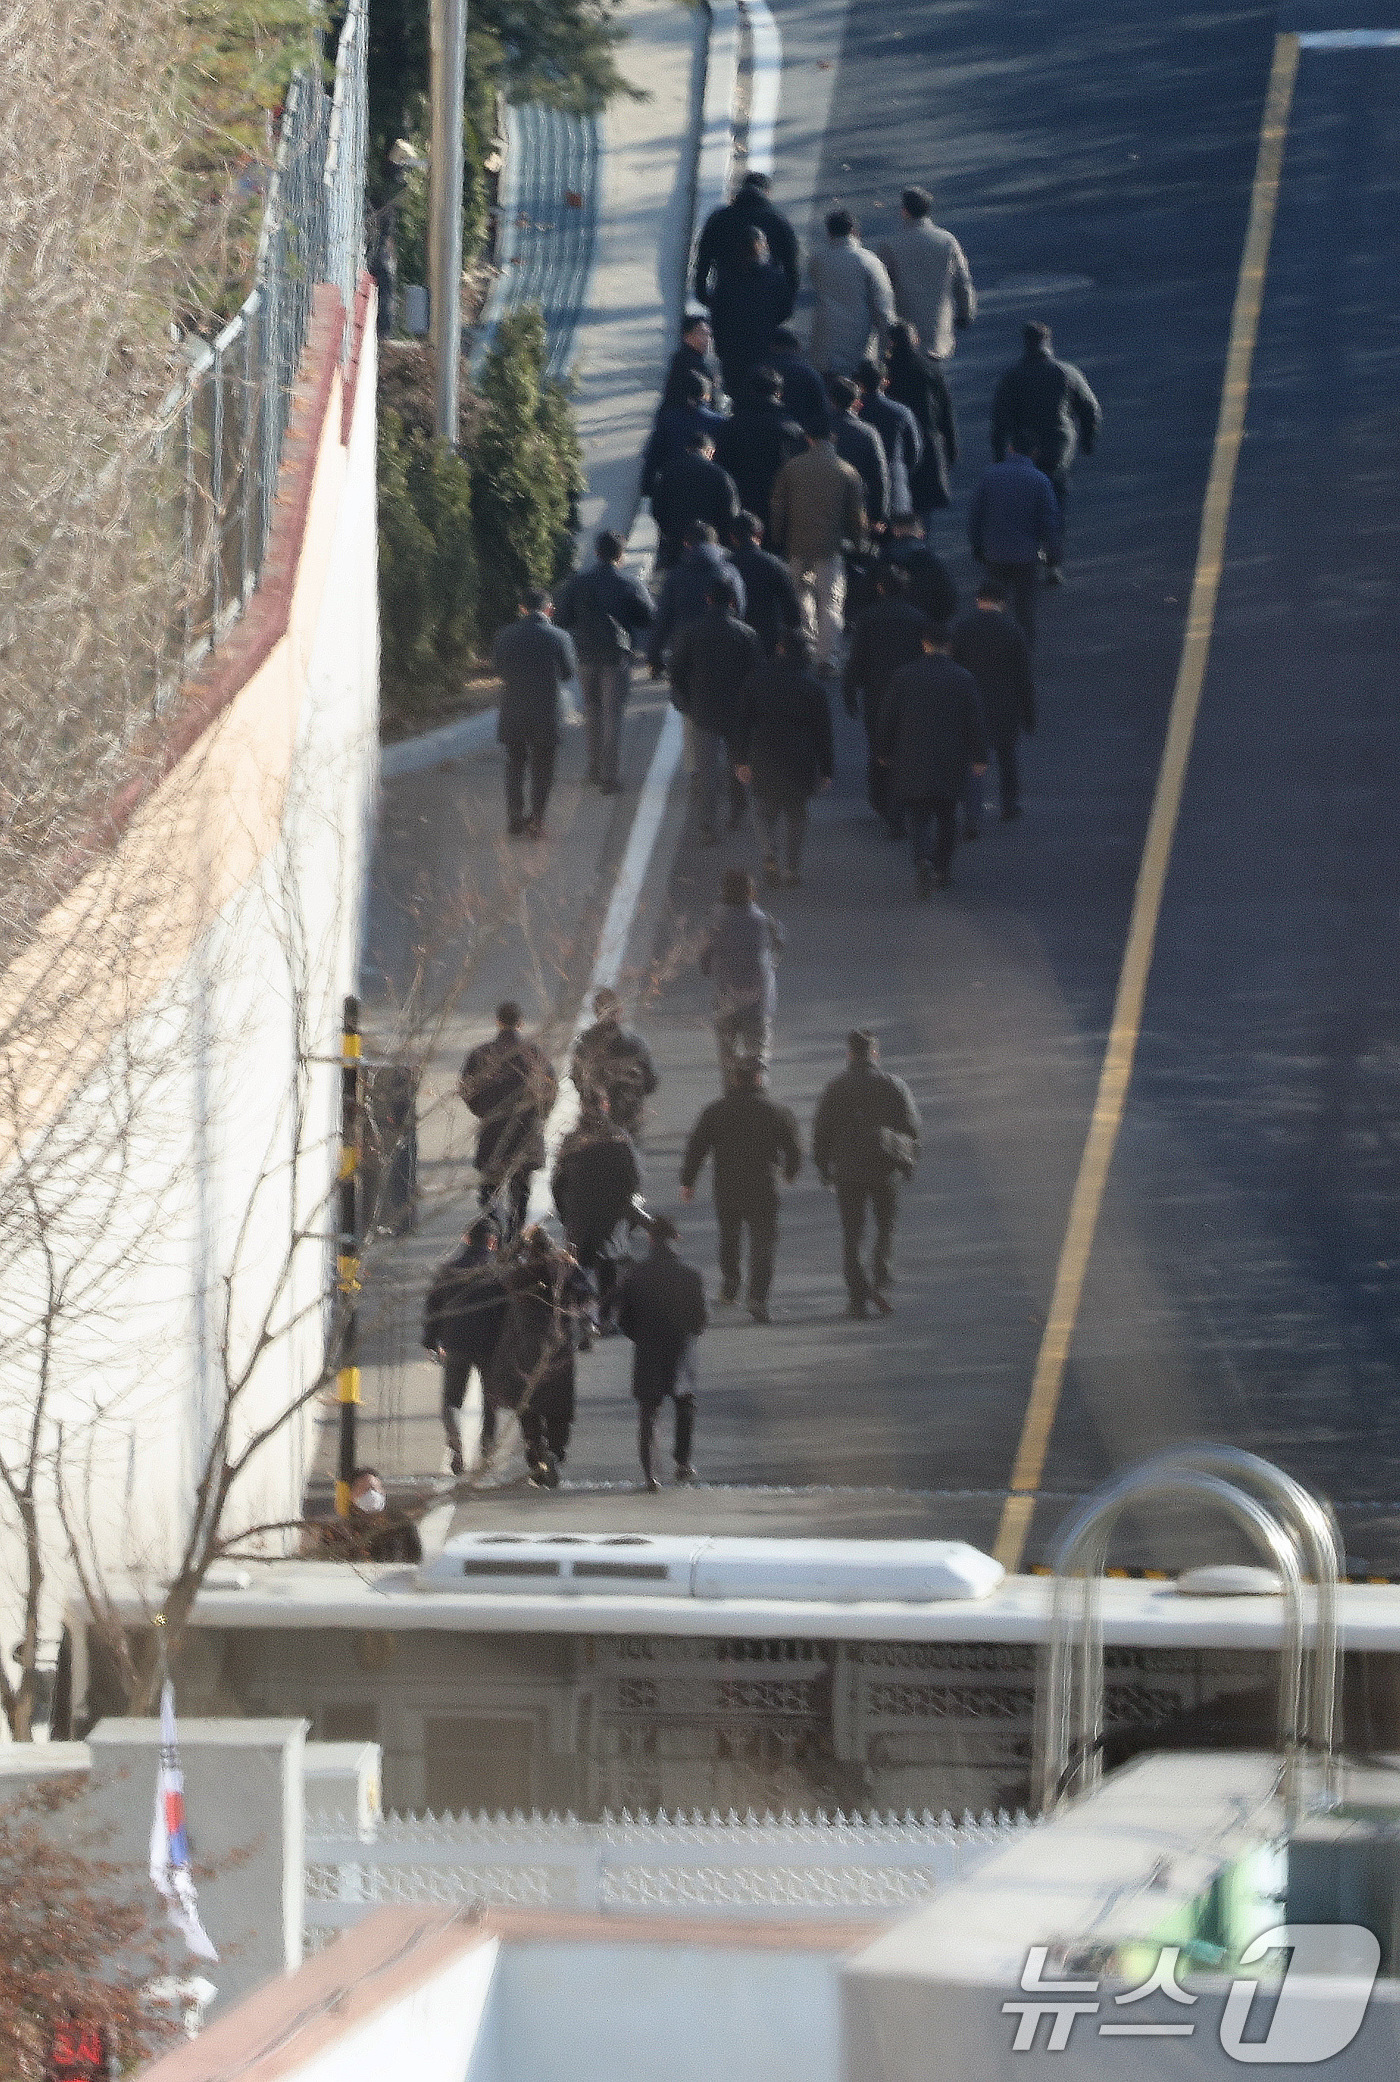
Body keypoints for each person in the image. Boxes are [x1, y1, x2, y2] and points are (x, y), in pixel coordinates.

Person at [680, 1058, 801, 1323]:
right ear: (758, 1079)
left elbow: (696, 1148)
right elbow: (794, 1148)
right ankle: (758, 1296)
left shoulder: (715, 1111)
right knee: (763, 1242)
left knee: (729, 1236)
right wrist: (790, 1172)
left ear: (734, 1079)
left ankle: (731, 1284)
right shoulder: (775, 1111)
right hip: (763, 1187)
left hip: (727, 1186)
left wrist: (688, 1181)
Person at [813, 1030, 922, 1318]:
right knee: (885, 1226)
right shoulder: (894, 1085)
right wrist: (909, 1161)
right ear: (875, 1054)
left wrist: (824, 1168)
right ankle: (881, 1282)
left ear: (850, 1054)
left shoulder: (835, 1088)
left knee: (852, 1234)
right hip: (884, 1168)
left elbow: (821, 1132)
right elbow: (911, 1127)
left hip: (848, 1171)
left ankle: (857, 1298)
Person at [878, 623, 987, 895]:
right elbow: (975, 720)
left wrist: (883, 749)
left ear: (924, 644)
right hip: (951, 756)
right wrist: (979, 755)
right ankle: (942, 867)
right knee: (947, 814)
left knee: (919, 814)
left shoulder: (904, 675)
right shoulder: (963, 677)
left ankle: (922, 857)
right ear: (948, 646)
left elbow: (888, 717)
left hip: (912, 754)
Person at [990, 322, 1101, 572]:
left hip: (1023, 446)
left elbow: (999, 419)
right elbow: (1090, 408)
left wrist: (998, 455)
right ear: (1048, 342)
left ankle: (1026, 550)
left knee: (1023, 497)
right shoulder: (1066, 372)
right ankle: (1054, 561)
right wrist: (1088, 440)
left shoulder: (1012, 376)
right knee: (1054, 498)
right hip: (1058, 445)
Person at [486, 1227, 591, 1488]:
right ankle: (555, 1451)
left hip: (523, 1345)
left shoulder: (519, 1274)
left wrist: (515, 1249)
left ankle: (536, 1457)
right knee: (559, 1406)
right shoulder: (565, 1269)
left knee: (529, 1406)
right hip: (558, 1344)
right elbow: (587, 1295)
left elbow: (497, 1283)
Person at [553, 531, 655, 794]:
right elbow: (648, 617)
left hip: (585, 655)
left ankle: (593, 770)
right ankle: (610, 776)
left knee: (593, 712)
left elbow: (562, 618)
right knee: (612, 715)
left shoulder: (577, 583)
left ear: (596, 553)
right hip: (616, 656)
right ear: (621, 556)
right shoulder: (628, 583)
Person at [734, 626, 834, 887]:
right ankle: (791, 868)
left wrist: (741, 759)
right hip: (801, 755)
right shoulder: (812, 685)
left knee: (763, 810)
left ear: (779, 649)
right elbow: (824, 730)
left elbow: (742, 722)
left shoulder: (758, 679)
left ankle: (769, 854)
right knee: (797, 813)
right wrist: (827, 769)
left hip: (764, 751)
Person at [616, 1213, 708, 1490]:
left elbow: (624, 1319)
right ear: (676, 1238)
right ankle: (682, 1461)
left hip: (648, 1349)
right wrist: (687, 1334)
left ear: (650, 1239)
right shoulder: (690, 1275)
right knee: (685, 1403)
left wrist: (641, 1336)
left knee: (648, 1411)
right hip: (679, 1347)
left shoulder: (636, 1274)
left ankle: (650, 1474)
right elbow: (700, 1320)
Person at [667, 581, 763, 842]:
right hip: (738, 711)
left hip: (702, 709)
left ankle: (706, 826)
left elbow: (676, 671)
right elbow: (757, 675)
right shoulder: (746, 633)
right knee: (739, 762)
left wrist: (686, 700)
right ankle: (737, 811)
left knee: (705, 770)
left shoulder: (691, 632)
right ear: (733, 602)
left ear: (707, 599)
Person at [768, 429, 866, 675]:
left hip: (797, 545)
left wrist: (777, 536)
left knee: (801, 596)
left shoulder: (792, 468)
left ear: (809, 439)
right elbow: (857, 513)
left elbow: (778, 506)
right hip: (830, 547)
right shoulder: (845, 470)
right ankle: (828, 657)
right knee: (831, 602)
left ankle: (806, 645)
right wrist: (859, 542)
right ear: (833, 438)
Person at [842, 563, 930, 838]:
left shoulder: (868, 618)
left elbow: (856, 660)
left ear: (880, 588)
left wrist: (850, 694)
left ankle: (883, 799)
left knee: (880, 747)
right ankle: (903, 804)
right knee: (908, 748)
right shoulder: (918, 619)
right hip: (911, 694)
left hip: (877, 693)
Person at [459, 1001, 559, 1237]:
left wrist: (484, 1111)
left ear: (497, 1021)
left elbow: (467, 1089)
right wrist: (538, 1115)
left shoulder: (482, 1054)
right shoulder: (534, 1054)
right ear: (521, 1023)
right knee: (520, 1194)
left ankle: (493, 1233)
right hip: (526, 1133)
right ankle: (513, 1242)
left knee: (489, 1193)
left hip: (493, 1132)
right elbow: (551, 1089)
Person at [423, 1216, 509, 1474]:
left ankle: (456, 1443)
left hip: (455, 1343)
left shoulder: (448, 1271)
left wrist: (430, 1341)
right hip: (491, 1346)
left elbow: (433, 1309)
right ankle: (487, 1449)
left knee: (451, 1400)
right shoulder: (499, 1273)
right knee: (490, 1400)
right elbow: (508, 1311)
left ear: (466, 1239)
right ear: (492, 1242)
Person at [550, 1096, 644, 1329]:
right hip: (610, 1213)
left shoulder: (572, 1141)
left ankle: (580, 1318)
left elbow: (557, 1181)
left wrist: (564, 1211)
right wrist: (626, 1212)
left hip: (579, 1212)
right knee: (608, 1265)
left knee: (578, 1265)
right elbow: (633, 1180)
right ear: (606, 1107)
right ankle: (606, 1316)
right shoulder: (619, 1139)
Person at [950, 577, 1036, 828]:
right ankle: (1009, 805)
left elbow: (954, 666)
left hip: (970, 703)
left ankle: (972, 813)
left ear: (978, 600)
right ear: (1003, 603)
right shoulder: (1012, 629)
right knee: (1007, 757)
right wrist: (1028, 714)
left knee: (972, 759)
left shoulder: (963, 628)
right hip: (1004, 705)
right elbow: (1024, 676)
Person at [491, 589, 577, 838]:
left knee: (515, 764)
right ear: (549, 609)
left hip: (513, 708)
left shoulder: (504, 636)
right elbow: (568, 672)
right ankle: (537, 820)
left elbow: (498, 669)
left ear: (522, 609)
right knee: (543, 767)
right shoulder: (560, 637)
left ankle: (514, 815)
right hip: (546, 711)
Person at [967, 431, 1061, 644]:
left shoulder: (990, 475)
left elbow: (976, 515)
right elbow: (1050, 522)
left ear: (1010, 449)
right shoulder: (1040, 481)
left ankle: (991, 646)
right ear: (1034, 453)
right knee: (1024, 609)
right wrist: (1053, 555)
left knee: (993, 605)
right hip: (1026, 556)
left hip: (995, 553)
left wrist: (977, 545)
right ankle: (1023, 651)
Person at [698, 866, 784, 1082]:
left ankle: (731, 1099)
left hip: (725, 1002)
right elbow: (778, 949)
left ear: (723, 892)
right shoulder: (765, 921)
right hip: (759, 1004)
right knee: (758, 1061)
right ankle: (757, 1096)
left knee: (728, 1062)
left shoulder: (715, 921)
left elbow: (705, 963)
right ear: (752, 893)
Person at [875, 186, 976, 364]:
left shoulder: (890, 244)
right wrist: (966, 312)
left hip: (903, 330)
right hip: (938, 329)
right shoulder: (947, 241)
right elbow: (962, 280)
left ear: (905, 211)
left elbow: (881, 288)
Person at [707, 224, 795, 406]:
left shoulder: (727, 277)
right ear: (763, 246)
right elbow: (785, 310)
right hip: (765, 345)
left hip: (733, 349)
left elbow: (717, 314)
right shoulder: (775, 277)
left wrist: (720, 345)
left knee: (738, 396)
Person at [884, 321, 958, 537]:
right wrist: (951, 448)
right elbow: (945, 412)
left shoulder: (887, 371)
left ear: (891, 343)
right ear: (914, 340)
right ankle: (921, 548)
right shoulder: (930, 369)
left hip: (895, 444)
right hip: (928, 442)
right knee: (924, 507)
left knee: (897, 503)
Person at [712, 367, 805, 534]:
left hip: (741, 506)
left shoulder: (731, 427)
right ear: (778, 393)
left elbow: (720, 468)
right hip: (779, 510)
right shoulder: (792, 430)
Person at [694, 170, 801, 314]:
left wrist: (705, 296)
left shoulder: (720, 219)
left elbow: (703, 260)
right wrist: (784, 307)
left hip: (726, 297)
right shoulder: (778, 222)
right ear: (767, 192)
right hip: (764, 302)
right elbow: (791, 269)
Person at [647, 521, 747, 672]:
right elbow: (740, 608)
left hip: (685, 650)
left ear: (686, 544)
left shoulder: (675, 575)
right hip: (723, 646)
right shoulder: (730, 572)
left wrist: (654, 656)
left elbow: (663, 617)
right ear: (715, 543)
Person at [808, 207, 896, 377]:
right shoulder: (869, 262)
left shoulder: (818, 260)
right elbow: (884, 307)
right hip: (859, 346)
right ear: (855, 231)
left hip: (824, 345)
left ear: (829, 233)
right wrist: (889, 347)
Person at [570, 987, 658, 1136]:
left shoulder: (584, 1044)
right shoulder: (635, 1045)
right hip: (628, 1120)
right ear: (620, 1011)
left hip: (594, 1120)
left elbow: (577, 1079)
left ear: (595, 1012)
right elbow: (650, 1083)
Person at [650, 431, 741, 571]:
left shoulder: (668, 472)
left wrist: (669, 532)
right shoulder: (721, 476)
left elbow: (657, 509)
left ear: (687, 449)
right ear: (710, 451)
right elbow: (731, 513)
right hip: (711, 545)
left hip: (677, 542)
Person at [640, 369, 728, 503]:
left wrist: (647, 487)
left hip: (674, 485)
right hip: (707, 485)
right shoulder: (719, 422)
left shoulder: (668, 419)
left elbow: (655, 455)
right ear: (706, 395)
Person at [854, 359, 923, 521]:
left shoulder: (855, 412)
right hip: (895, 485)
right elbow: (914, 451)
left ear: (859, 383)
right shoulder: (901, 412)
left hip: (860, 489)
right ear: (884, 382)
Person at [728, 510, 803, 658]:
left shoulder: (725, 566)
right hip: (767, 639)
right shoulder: (775, 565)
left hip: (733, 638)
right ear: (760, 534)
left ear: (732, 537)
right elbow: (791, 607)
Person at [827, 375, 890, 538]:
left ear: (830, 400)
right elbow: (879, 476)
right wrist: (878, 515)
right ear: (856, 402)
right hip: (858, 508)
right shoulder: (868, 433)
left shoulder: (820, 430)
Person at [324, 1469, 423, 1563]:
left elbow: (415, 1558)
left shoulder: (401, 1524)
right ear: (351, 1495)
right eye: (364, 1489)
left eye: (374, 1488)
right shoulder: (340, 1530)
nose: (371, 1493)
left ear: (383, 1492)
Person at [878, 510, 958, 627]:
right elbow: (948, 599)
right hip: (924, 624)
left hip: (888, 624)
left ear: (895, 531)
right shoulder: (930, 560)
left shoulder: (885, 558)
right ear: (921, 534)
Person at [766, 326, 831, 440]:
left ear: (772, 346)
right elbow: (822, 412)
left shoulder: (762, 370)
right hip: (801, 439)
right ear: (796, 348)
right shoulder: (810, 373)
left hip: (765, 435)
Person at [661, 311, 725, 410]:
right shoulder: (686, 362)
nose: (706, 340)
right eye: (702, 334)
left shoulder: (694, 359)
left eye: (708, 335)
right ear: (687, 336)